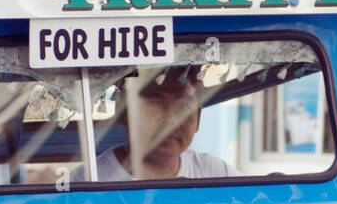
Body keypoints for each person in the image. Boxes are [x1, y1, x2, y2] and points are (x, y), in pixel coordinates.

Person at [72, 68, 239, 182]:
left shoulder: (216, 173)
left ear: (198, 118)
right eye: (155, 104)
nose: (171, 120)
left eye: (183, 107)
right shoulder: (88, 180)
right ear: (124, 113)